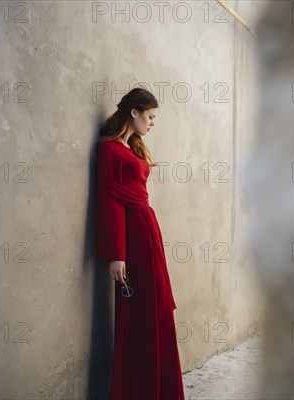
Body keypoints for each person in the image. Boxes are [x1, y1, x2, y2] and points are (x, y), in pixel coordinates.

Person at [95, 87, 185, 400]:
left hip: (148, 234)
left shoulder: (133, 147)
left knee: (158, 310)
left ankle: (161, 389)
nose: (152, 123)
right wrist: (117, 255)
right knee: (142, 313)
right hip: (133, 238)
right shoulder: (109, 150)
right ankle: (140, 390)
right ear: (134, 112)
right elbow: (109, 202)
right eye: (150, 116)